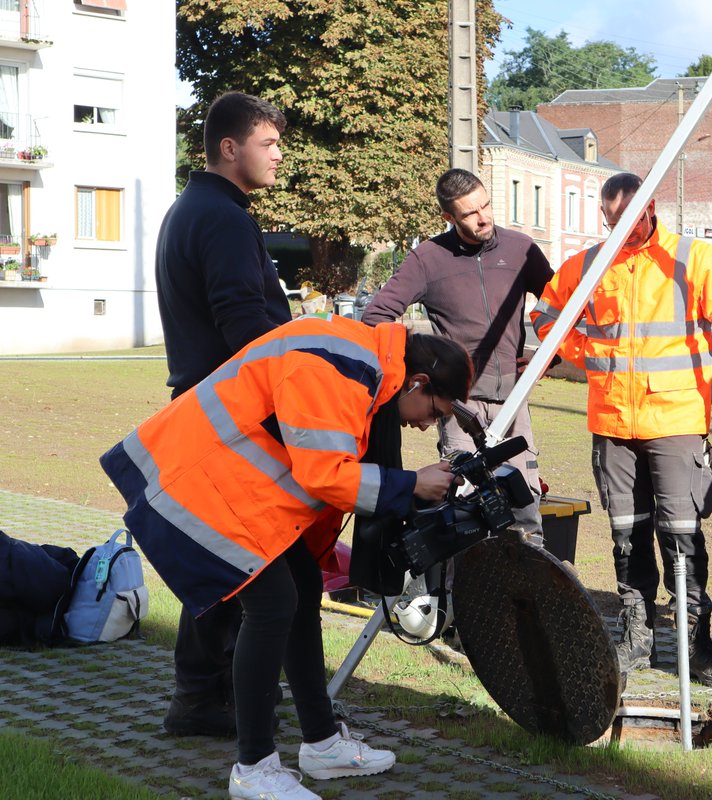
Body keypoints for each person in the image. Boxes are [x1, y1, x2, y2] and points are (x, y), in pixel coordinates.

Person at [101, 315, 472, 800]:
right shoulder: (343, 365)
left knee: (299, 591)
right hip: (195, 485)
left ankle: (320, 743)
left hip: (224, 483)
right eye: (435, 411)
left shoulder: (359, 360)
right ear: (418, 381)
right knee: (273, 605)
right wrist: (410, 484)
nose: (425, 424)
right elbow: (322, 473)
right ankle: (253, 769)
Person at [531, 172, 712, 688]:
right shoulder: (587, 265)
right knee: (626, 533)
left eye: (628, 220)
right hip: (613, 424)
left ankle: (697, 643)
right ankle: (636, 639)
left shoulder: (693, 260)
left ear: (650, 210)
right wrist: (585, 354)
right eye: (610, 222)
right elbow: (546, 317)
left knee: (681, 533)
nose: (619, 230)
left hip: (677, 421)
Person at [155, 91, 291, 738]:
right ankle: (215, 699)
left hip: (202, 405)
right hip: (229, 413)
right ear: (229, 148)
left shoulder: (194, 209)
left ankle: (204, 695)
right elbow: (243, 324)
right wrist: (295, 382)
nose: (279, 156)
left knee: (225, 560)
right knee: (247, 568)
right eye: (268, 143)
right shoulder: (223, 219)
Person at [363, 168, 553, 539]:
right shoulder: (428, 259)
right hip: (459, 407)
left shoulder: (521, 249)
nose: (484, 218)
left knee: (525, 507)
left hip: (514, 401)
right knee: (468, 510)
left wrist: (549, 354)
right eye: (470, 213)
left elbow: (562, 304)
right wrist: (415, 367)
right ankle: (462, 595)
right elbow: (376, 316)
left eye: (486, 206)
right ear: (448, 218)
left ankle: (531, 591)